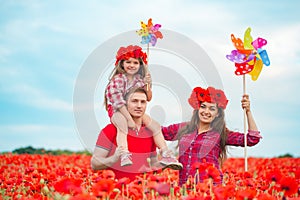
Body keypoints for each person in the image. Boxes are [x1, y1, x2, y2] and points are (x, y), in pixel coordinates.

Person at [160, 86, 262, 185]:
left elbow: (252, 138)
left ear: (217, 113)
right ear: (198, 109)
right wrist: (144, 108)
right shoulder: (184, 128)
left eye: (212, 109)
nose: (206, 112)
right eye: (203, 107)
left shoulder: (220, 133)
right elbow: (159, 131)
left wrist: (248, 111)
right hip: (185, 187)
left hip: (210, 189)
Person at [104, 45, 181, 169]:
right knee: (122, 125)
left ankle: (166, 153)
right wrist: (129, 119)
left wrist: (148, 85)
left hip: (134, 110)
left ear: (140, 65)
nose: (132, 65)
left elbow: (148, 97)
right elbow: (118, 102)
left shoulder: (139, 79)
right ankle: (124, 153)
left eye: (135, 62)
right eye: (128, 62)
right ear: (121, 63)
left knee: (155, 126)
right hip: (118, 110)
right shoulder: (117, 80)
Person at [91, 87, 181, 180]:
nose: (139, 106)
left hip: (139, 191)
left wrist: (163, 165)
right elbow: (95, 163)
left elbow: (153, 165)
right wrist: (114, 158)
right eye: (134, 101)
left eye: (143, 102)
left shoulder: (150, 133)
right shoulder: (110, 130)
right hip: (116, 191)